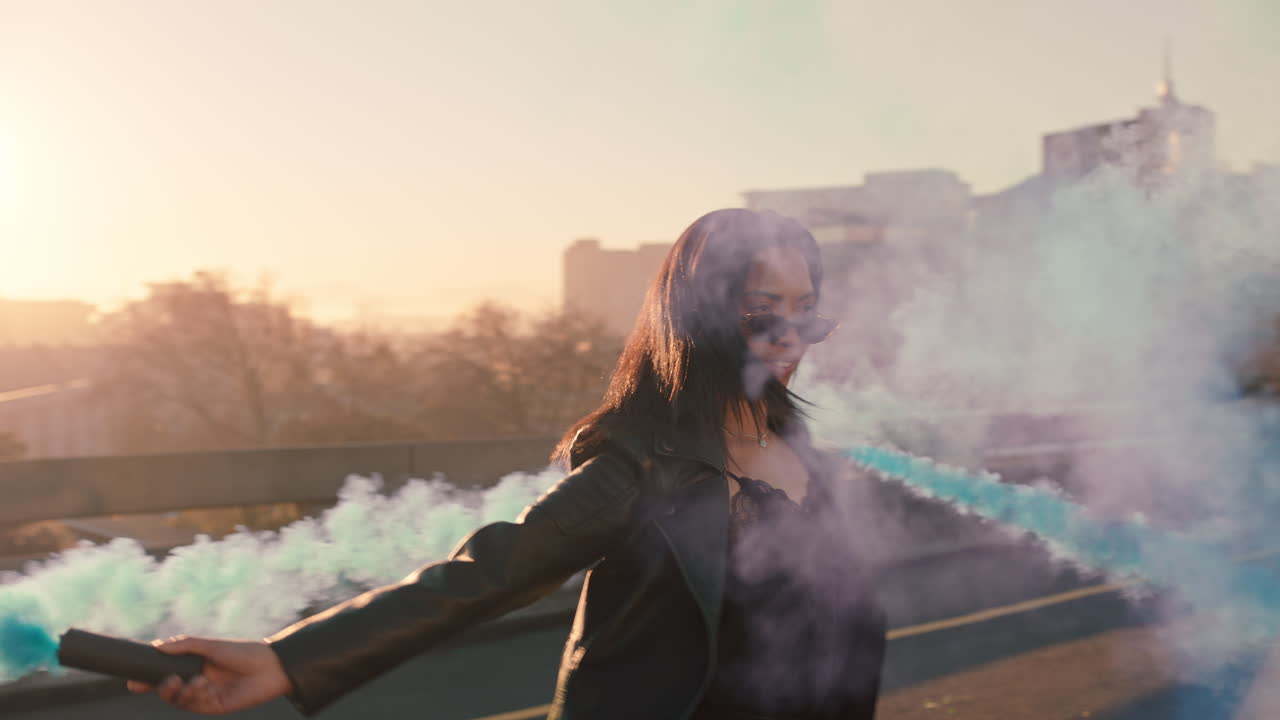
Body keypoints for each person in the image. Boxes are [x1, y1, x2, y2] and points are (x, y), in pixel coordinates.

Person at [129, 208, 888, 719]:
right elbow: (478, 579)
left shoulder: (806, 455)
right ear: (701, 315)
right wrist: (286, 659)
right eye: (762, 311)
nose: (788, 336)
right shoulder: (639, 469)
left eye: (805, 310)